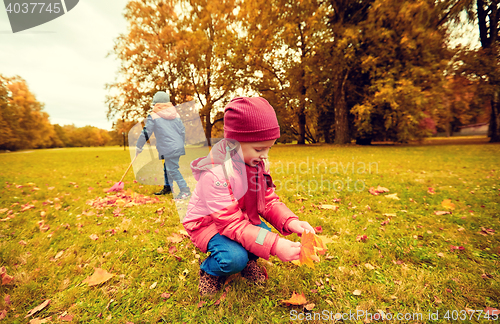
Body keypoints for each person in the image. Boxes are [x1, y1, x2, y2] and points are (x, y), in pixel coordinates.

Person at [182, 97, 315, 296]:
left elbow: (267, 201)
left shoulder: (255, 164)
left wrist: (291, 222)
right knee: (235, 257)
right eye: (260, 149)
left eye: (269, 148)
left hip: (239, 218)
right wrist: (276, 245)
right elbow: (230, 225)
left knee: (262, 231)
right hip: (209, 224)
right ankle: (210, 271)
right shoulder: (216, 173)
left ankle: (248, 262)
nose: (265, 155)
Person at [135, 91, 191, 199]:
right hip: (176, 145)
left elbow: (147, 131)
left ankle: (185, 190)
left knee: (172, 169)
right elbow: (182, 131)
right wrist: (180, 143)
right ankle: (168, 187)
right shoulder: (176, 115)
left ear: (156, 104)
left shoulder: (154, 115)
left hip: (168, 146)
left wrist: (139, 145)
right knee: (168, 167)